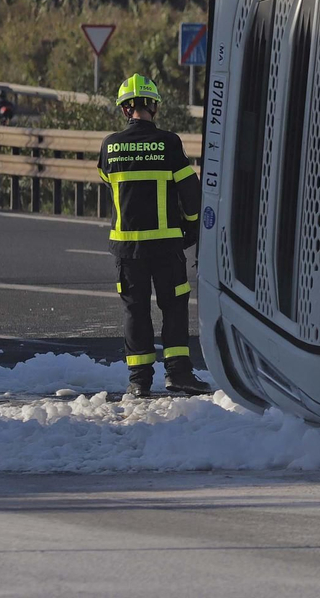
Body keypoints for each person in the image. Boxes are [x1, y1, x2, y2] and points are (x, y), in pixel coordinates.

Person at [98, 73, 209, 397]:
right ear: (154, 107)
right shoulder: (168, 143)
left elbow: (106, 178)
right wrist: (191, 227)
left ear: (124, 109)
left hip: (127, 248)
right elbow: (191, 193)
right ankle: (178, 374)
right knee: (173, 307)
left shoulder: (110, 146)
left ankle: (139, 381)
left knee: (135, 310)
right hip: (166, 245)